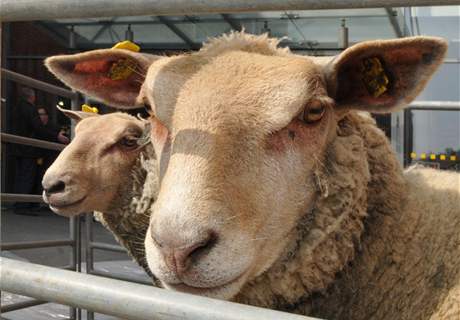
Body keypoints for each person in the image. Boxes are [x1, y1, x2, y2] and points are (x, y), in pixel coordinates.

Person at [12, 87, 69, 215]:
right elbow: (38, 128)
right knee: (27, 177)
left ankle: (19, 202)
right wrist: (56, 137)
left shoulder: (16, 109)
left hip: (18, 147)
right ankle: (22, 206)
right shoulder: (30, 109)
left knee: (21, 176)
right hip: (29, 149)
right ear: (32, 97)